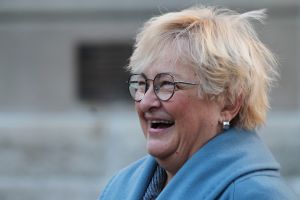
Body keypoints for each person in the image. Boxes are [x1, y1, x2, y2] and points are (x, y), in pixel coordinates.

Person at [99, 5, 298, 200]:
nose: (146, 102)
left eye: (167, 84)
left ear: (228, 104)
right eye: (142, 84)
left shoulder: (256, 194)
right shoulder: (120, 187)